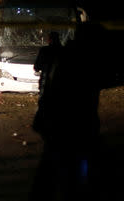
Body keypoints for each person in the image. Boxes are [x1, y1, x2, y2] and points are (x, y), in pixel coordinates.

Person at [30, 23, 104, 201]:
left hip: (63, 125)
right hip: (68, 126)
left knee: (52, 170)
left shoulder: (70, 56)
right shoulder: (77, 58)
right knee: (62, 171)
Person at [34, 31, 62, 97]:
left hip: (46, 83)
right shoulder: (64, 51)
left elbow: (36, 67)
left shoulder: (44, 50)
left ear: (49, 40)